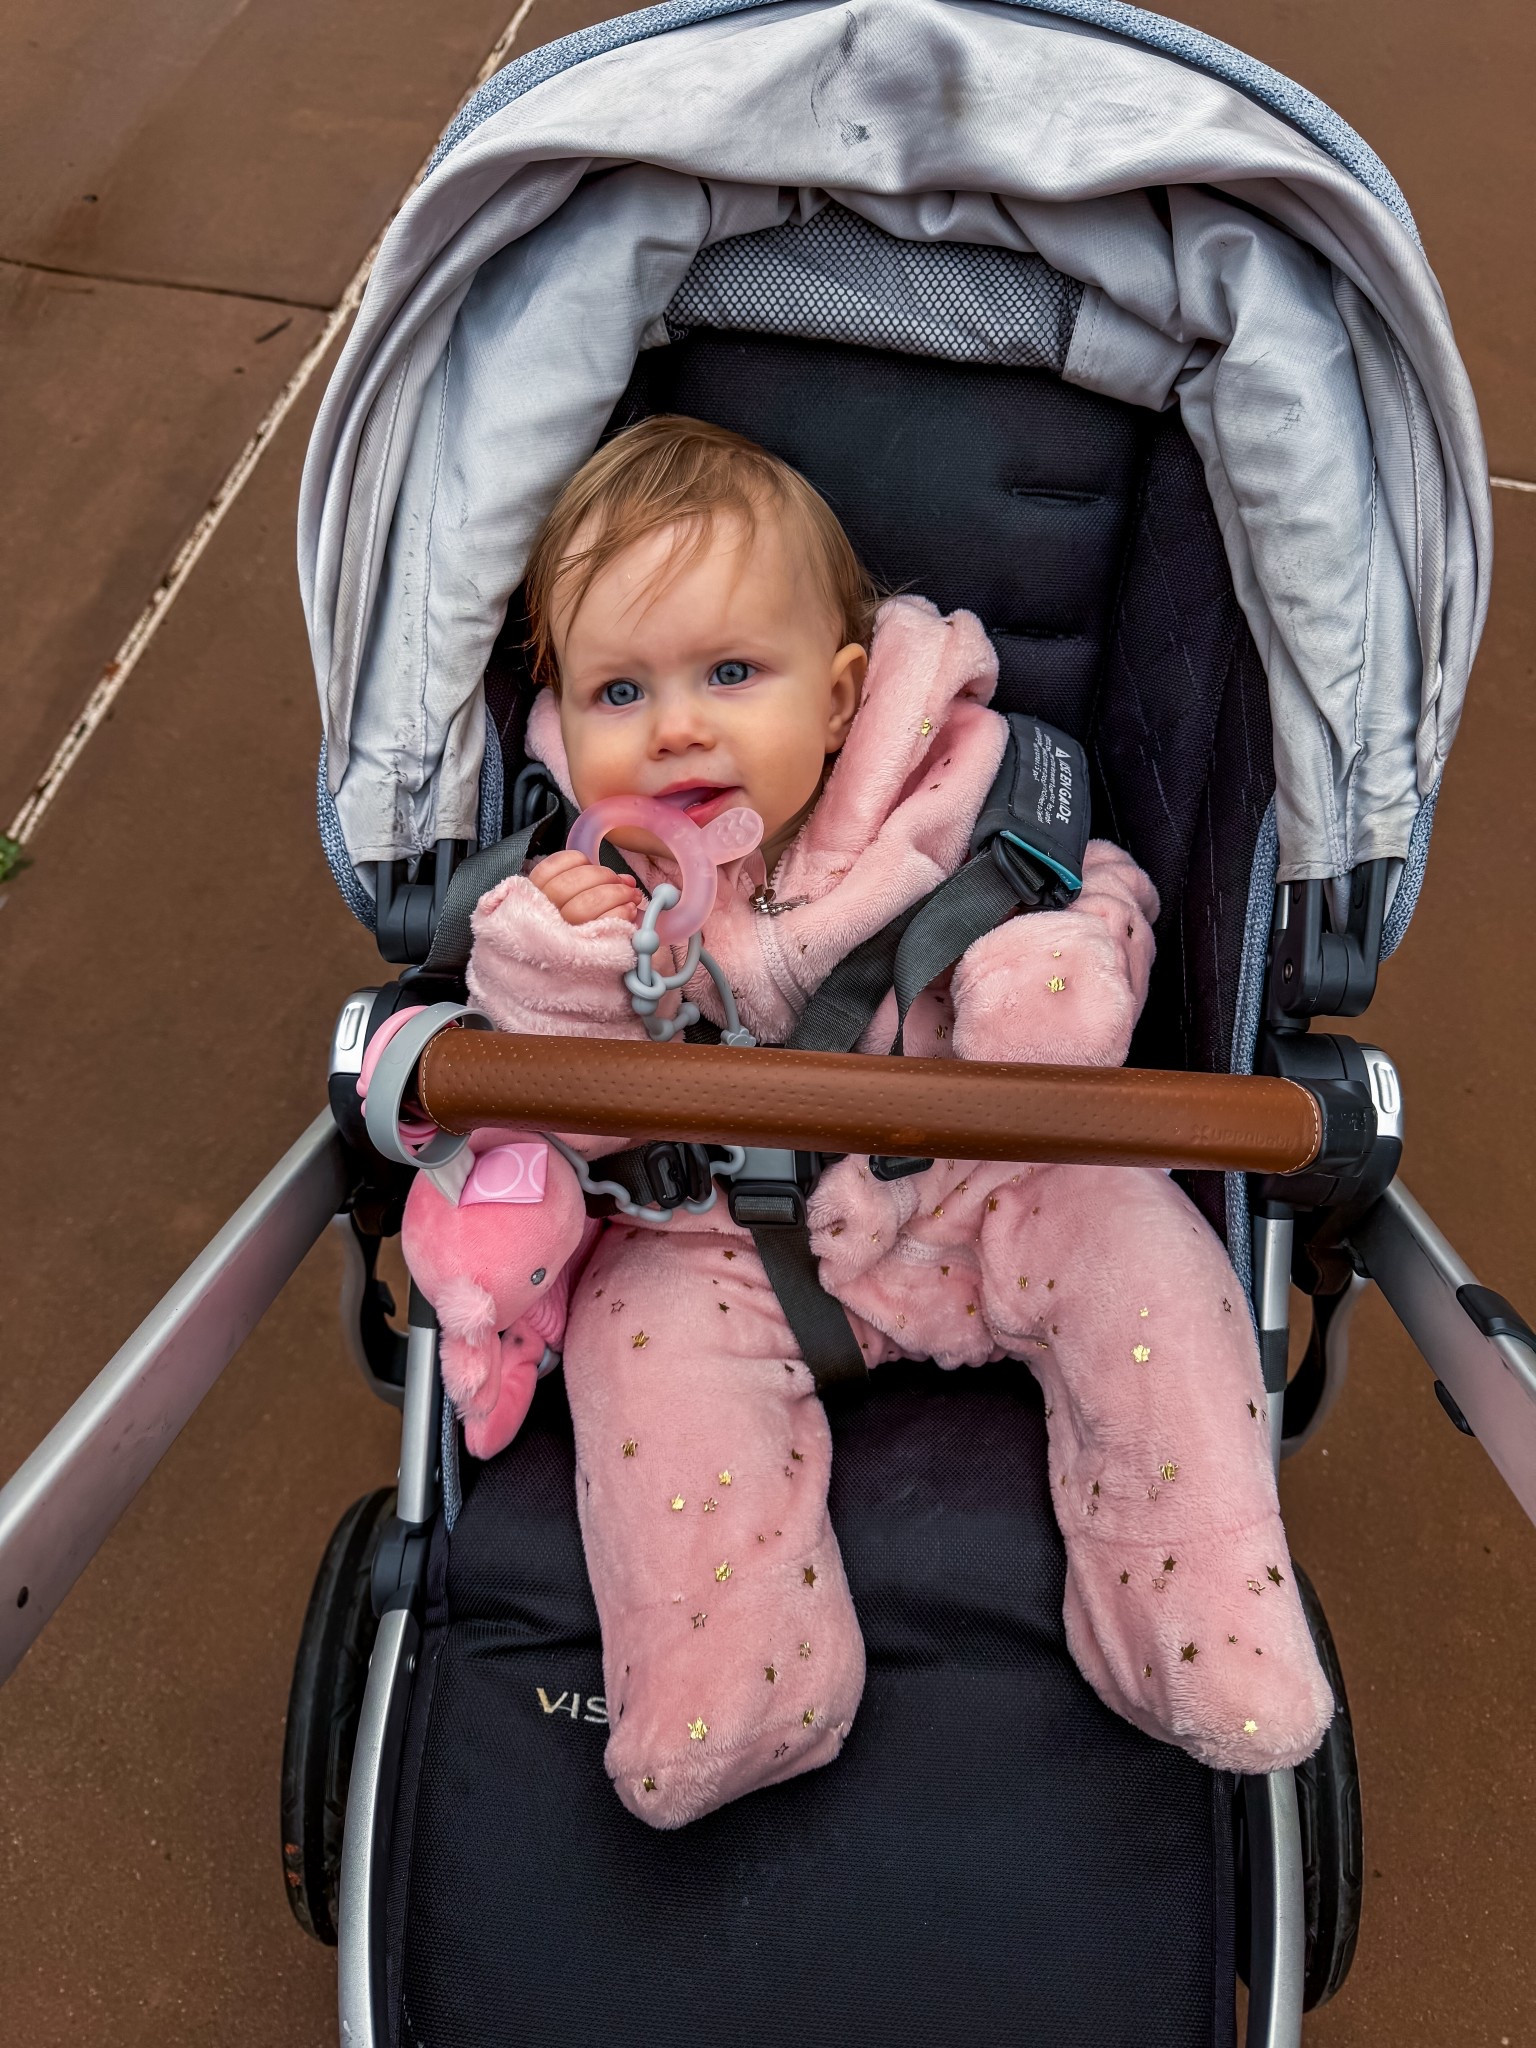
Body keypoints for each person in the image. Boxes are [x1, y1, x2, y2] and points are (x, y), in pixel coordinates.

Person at [443, 413, 1331, 1828]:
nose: (675, 724)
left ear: (846, 691)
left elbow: (1103, 892)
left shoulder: (972, 791)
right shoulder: (589, 880)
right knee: (640, 1346)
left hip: (988, 1187)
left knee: (1147, 1258)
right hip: (726, 1231)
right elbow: (569, 1116)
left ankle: (1199, 1612)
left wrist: (1052, 982)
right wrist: (566, 966)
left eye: (732, 672)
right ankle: (736, 1679)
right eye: (621, 689)